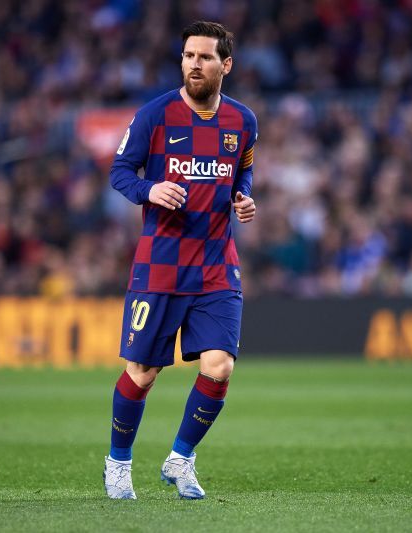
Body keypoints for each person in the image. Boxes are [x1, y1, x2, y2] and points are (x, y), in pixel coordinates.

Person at [104, 20, 258, 500]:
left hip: (216, 266)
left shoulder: (243, 121)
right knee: (142, 374)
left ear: (225, 65)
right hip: (161, 267)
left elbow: (242, 175)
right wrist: (150, 188)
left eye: (205, 57)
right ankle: (118, 464)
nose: (194, 63)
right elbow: (119, 172)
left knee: (220, 366)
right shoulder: (155, 116)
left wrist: (243, 200)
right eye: (189, 55)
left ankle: (181, 459)